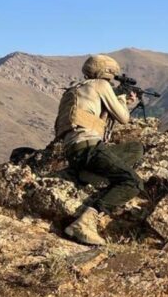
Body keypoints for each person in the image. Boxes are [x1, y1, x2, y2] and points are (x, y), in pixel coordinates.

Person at [54, 55, 144, 245]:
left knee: (135, 148)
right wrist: (122, 101)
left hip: (74, 151)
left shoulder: (74, 90)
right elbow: (123, 118)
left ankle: (88, 175)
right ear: (107, 72)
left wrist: (118, 99)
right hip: (89, 148)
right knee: (133, 182)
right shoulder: (101, 86)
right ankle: (85, 222)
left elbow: (91, 117)